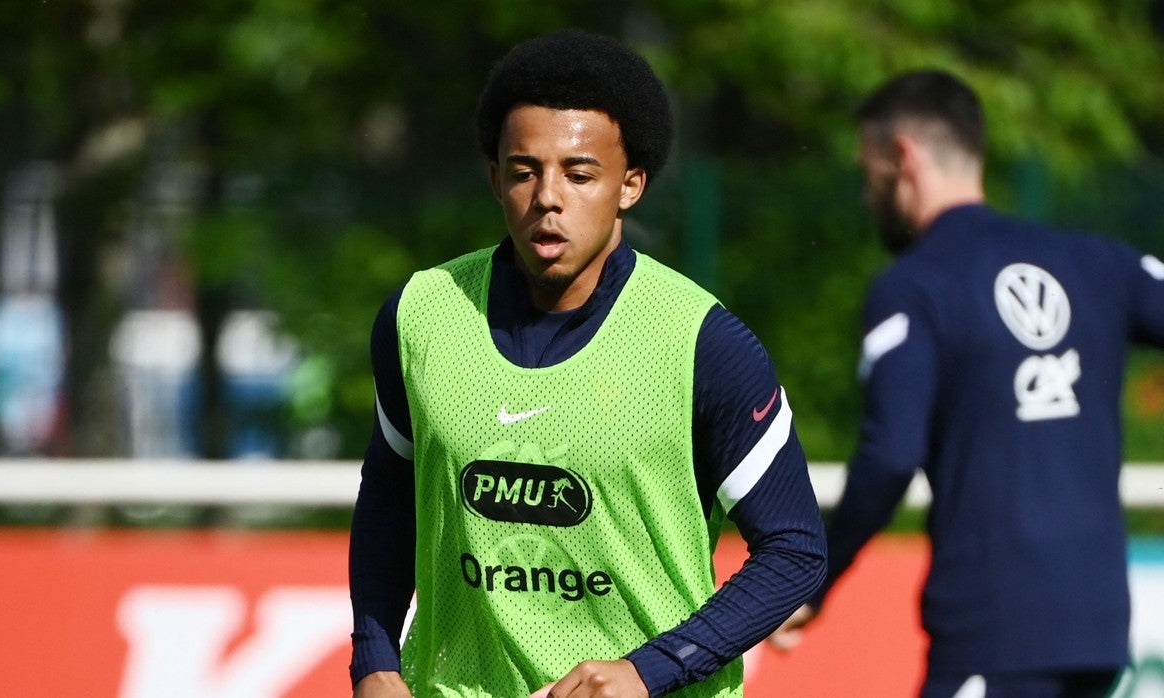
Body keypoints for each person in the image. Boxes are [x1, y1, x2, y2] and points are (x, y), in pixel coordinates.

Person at [348, 28, 827, 698]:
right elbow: (390, 499)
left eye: (579, 174)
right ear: (494, 180)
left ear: (630, 184)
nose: (548, 197)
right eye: (523, 171)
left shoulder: (700, 342)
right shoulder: (421, 317)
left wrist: (648, 670)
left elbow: (796, 552)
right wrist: (374, 661)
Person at [768, 69, 1164, 697]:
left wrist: (816, 579)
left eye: (869, 174)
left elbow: (891, 453)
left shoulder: (916, 284)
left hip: (996, 628)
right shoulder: (1099, 262)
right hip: (1099, 628)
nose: (869, 195)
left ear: (902, 157)